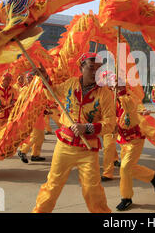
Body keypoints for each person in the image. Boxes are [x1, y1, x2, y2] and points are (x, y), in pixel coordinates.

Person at [32, 53, 115, 213]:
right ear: (81, 68)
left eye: (99, 69)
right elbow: (52, 93)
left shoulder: (104, 94)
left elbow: (110, 124)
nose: (95, 72)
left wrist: (87, 128)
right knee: (52, 186)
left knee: (93, 190)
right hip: (64, 145)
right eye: (91, 68)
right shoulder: (70, 84)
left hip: (88, 149)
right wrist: (45, 78)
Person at [101, 71, 155, 211]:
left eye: (116, 85)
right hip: (123, 140)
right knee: (128, 169)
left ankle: (126, 198)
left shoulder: (128, 96)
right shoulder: (109, 99)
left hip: (135, 140)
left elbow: (132, 106)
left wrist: (143, 110)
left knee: (125, 168)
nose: (113, 88)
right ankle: (152, 176)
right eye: (111, 86)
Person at [18, 72, 48, 163]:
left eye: (31, 78)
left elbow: (41, 101)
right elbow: (22, 103)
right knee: (35, 136)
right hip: (31, 116)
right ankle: (23, 151)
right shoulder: (25, 90)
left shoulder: (38, 89)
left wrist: (45, 110)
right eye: (28, 78)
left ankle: (35, 155)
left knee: (41, 137)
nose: (29, 79)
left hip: (39, 115)